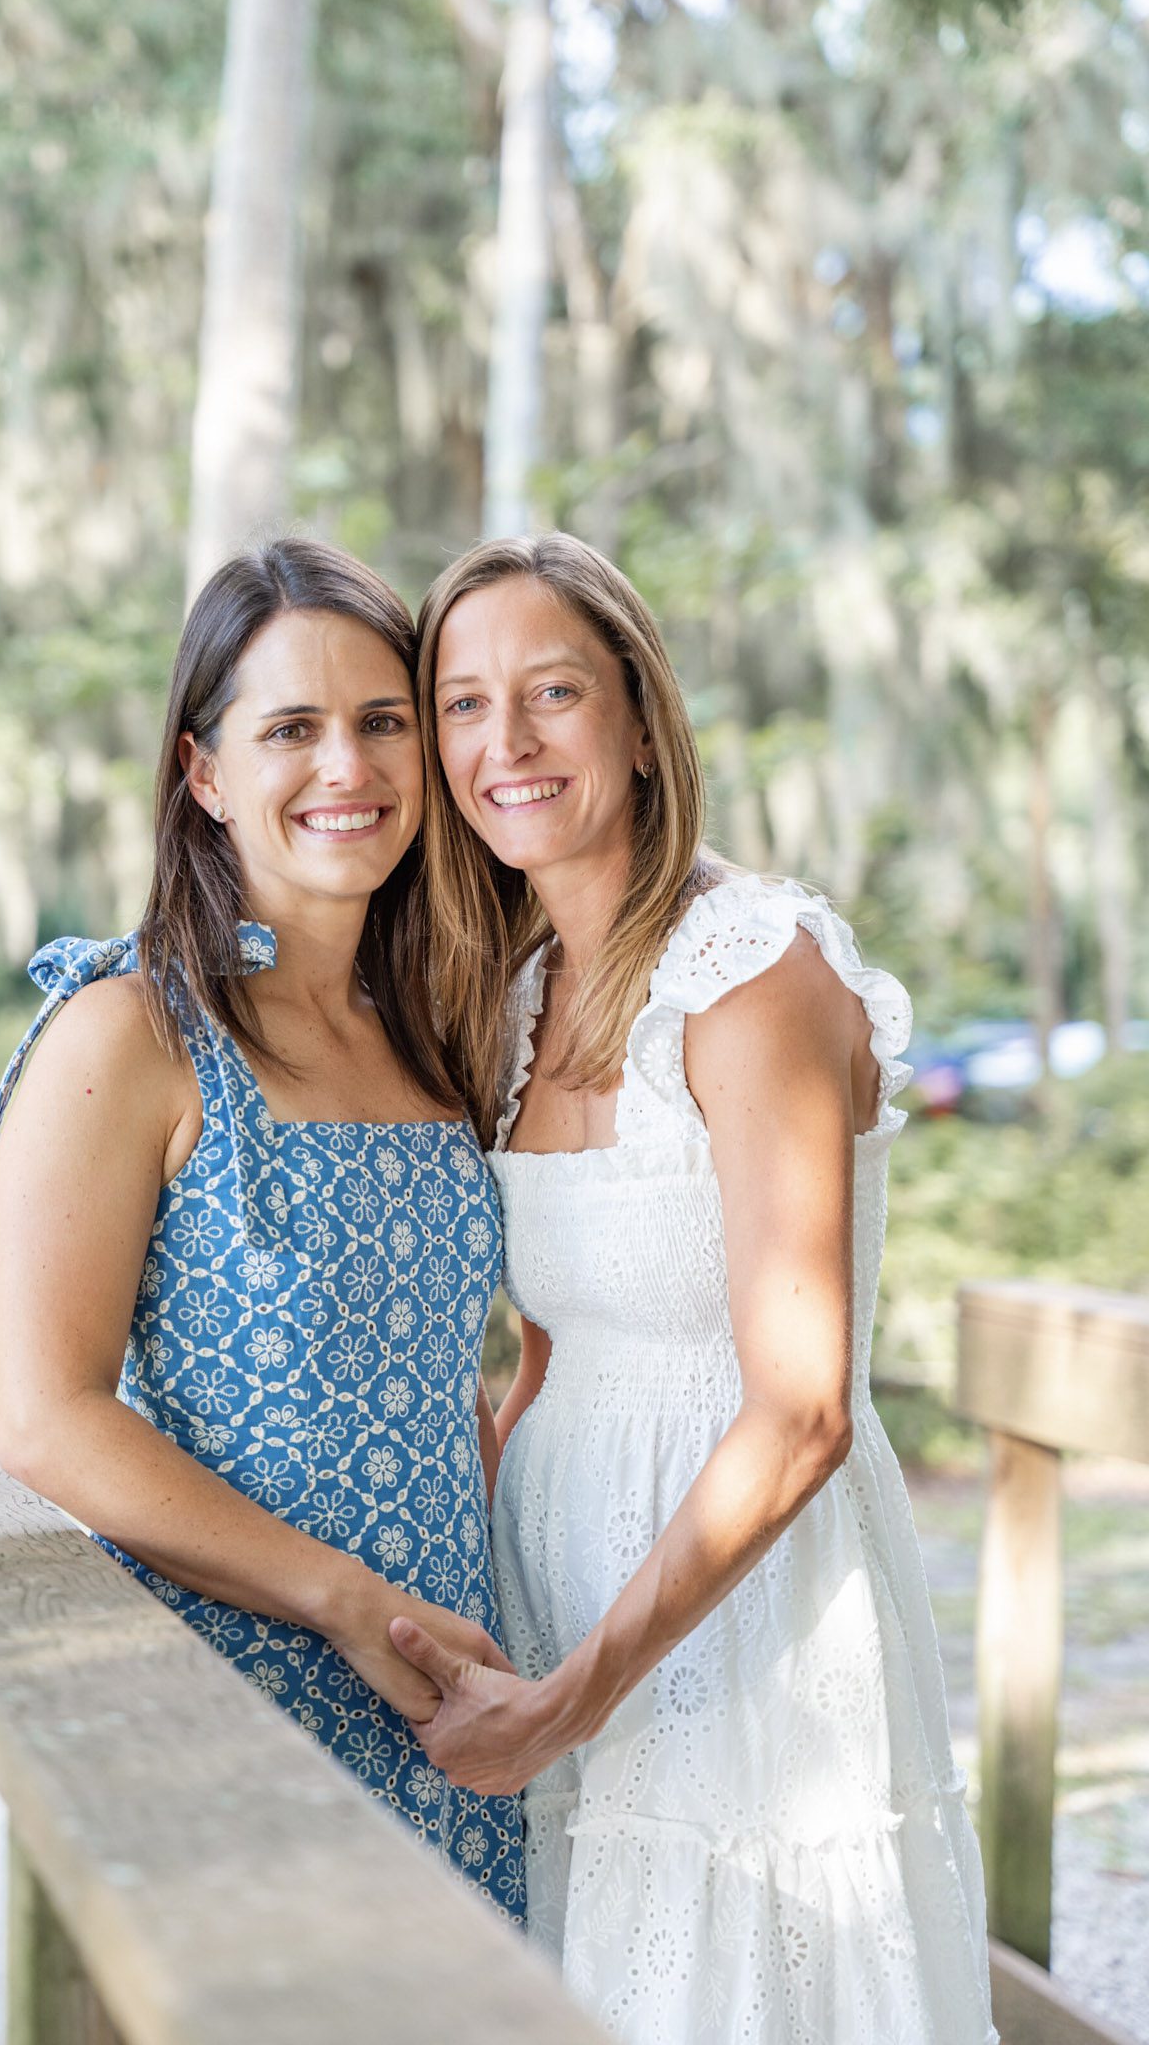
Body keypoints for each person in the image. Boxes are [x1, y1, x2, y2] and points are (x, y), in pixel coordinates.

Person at [389, 532, 994, 2037]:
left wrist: (573, 1695)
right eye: (462, 704)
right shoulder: (520, 992)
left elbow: (800, 1416)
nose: (503, 745)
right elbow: (541, 1353)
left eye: (551, 694)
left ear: (642, 724)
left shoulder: (752, 980)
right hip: (556, 1589)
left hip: (743, 1618)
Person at [0, 537, 524, 1914]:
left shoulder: (434, 1033)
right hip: (235, 1701)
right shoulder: (132, 1032)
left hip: (448, 1704)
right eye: (292, 729)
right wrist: (340, 1599)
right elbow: (48, 1419)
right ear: (205, 773)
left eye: (383, 721)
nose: (349, 769)